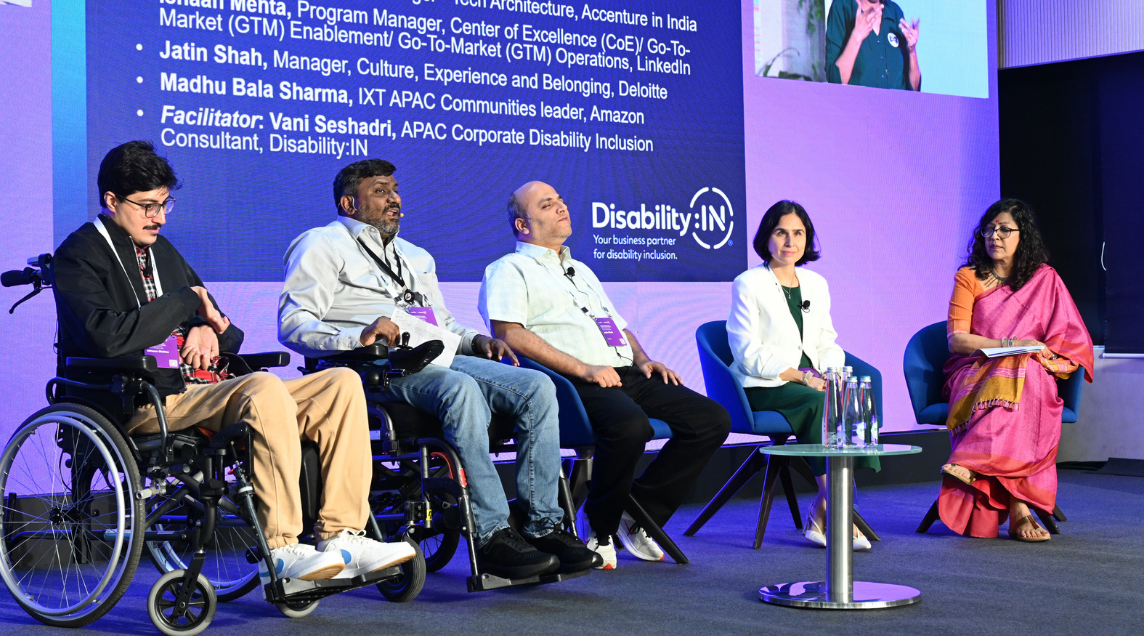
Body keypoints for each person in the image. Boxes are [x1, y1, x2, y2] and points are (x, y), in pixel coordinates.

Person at [51, 141, 415, 584]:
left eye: (165, 205)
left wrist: (207, 326)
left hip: (201, 390)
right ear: (111, 200)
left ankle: (343, 533)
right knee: (261, 387)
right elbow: (105, 336)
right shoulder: (80, 253)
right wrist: (188, 304)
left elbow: (230, 334)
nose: (159, 218)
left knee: (339, 384)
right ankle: (281, 546)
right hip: (139, 397)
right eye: (148, 206)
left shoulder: (163, 252)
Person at [279, 160, 598, 579]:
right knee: (460, 388)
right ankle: (492, 534)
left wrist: (476, 340)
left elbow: (441, 325)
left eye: (394, 189)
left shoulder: (415, 257)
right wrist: (360, 335)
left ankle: (543, 524)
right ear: (348, 202)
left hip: (437, 356)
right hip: (375, 368)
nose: (393, 198)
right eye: (379, 191)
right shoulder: (321, 244)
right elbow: (294, 325)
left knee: (537, 386)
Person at [480, 181, 731, 570]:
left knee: (711, 419)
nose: (561, 207)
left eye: (561, 200)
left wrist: (644, 359)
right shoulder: (508, 270)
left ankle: (639, 513)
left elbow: (615, 325)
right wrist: (583, 368)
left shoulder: (580, 270)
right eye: (547, 205)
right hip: (568, 383)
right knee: (630, 427)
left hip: (620, 372)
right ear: (522, 225)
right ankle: (601, 526)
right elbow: (509, 333)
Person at [938, 199, 1093, 542]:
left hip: (1028, 371)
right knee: (1017, 375)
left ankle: (971, 461)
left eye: (1005, 229)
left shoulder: (1044, 279)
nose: (995, 235)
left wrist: (1035, 352)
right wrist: (1009, 346)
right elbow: (957, 340)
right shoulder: (970, 277)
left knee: (1031, 377)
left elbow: (1070, 335)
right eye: (990, 229)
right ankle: (1020, 510)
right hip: (975, 369)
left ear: (1023, 236)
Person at [726, 200, 875, 551]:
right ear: (767, 237)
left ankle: (823, 507)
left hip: (814, 383)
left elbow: (826, 341)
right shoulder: (748, 283)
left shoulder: (816, 283)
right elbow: (747, 352)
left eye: (798, 233)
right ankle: (839, 508)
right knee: (820, 402)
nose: (790, 241)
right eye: (781, 232)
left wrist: (832, 375)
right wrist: (802, 377)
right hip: (766, 384)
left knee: (848, 396)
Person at [826, 0, 921, 91]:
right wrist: (856, 37)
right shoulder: (842, 7)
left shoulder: (895, 12)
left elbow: (913, 90)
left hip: (895, 106)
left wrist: (912, 52)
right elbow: (835, 83)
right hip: (857, 105)